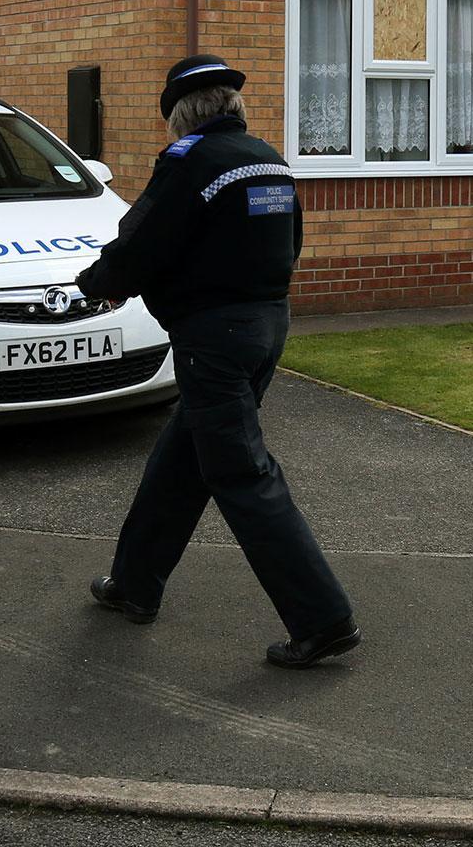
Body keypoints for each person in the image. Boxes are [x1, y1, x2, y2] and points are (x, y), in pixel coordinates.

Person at [77, 54, 359, 669]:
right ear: (232, 106)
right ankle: (134, 584)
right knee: (182, 459)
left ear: (180, 116)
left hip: (215, 339)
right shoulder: (268, 159)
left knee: (242, 474)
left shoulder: (190, 163)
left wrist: (97, 281)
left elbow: (143, 240)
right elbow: (292, 244)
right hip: (267, 325)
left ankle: (322, 619)